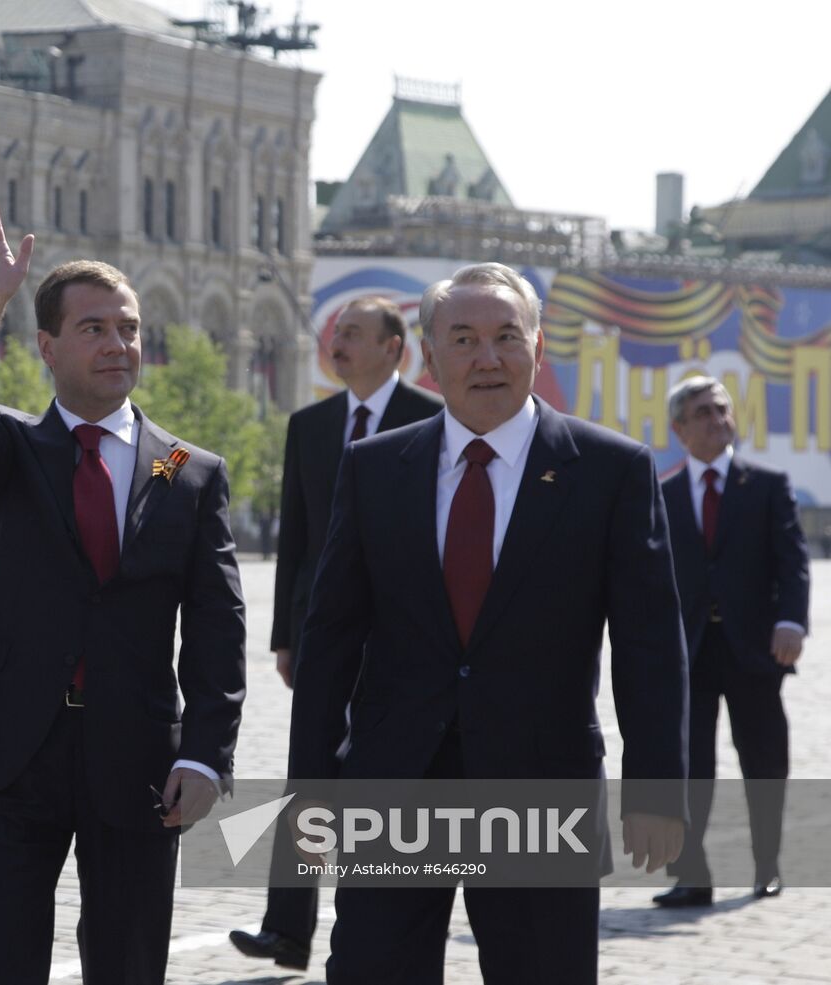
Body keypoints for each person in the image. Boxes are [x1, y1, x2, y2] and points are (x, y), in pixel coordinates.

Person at [288, 261, 689, 984]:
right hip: (395, 786)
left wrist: (657, 786)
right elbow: (331, 640)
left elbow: (650, 639)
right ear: (431, 357)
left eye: (508, 336)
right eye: (464, 338)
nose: (488, 357)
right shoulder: (375, 467)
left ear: (538, 349)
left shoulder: (609, 470)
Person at [0, 199, 247, 985]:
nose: (117, 343)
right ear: (48, 347)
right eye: (93, 327)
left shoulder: (188, 472)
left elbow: (217, 627)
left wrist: (207, 752)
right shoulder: (14, 451)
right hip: (13, 747)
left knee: (128, 961)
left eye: (127, 328)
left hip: (137, 758)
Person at [231, 296, 440, 970]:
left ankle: (372, 911)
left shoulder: (431, 421)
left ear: (393, 347)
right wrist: (285, 635)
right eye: (333, 333)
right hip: (324, 633)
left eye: (352, 332)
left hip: (402, 637)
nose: (336, 343)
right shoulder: (312, 424)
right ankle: (287, 927)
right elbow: (295, 537)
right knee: (309, 774)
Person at [653, 376, 809, 907]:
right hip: (688, 652)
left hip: (755, 649)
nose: (717, 419)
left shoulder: (766, 485)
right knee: (689, 765)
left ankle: (767, 864)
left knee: (765, 761)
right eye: (702, 412)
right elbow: (650, 578)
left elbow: (793, 563)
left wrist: (792, 622)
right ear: (679, 428)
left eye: (721, 409)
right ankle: (692, 875)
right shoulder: (662, 495)